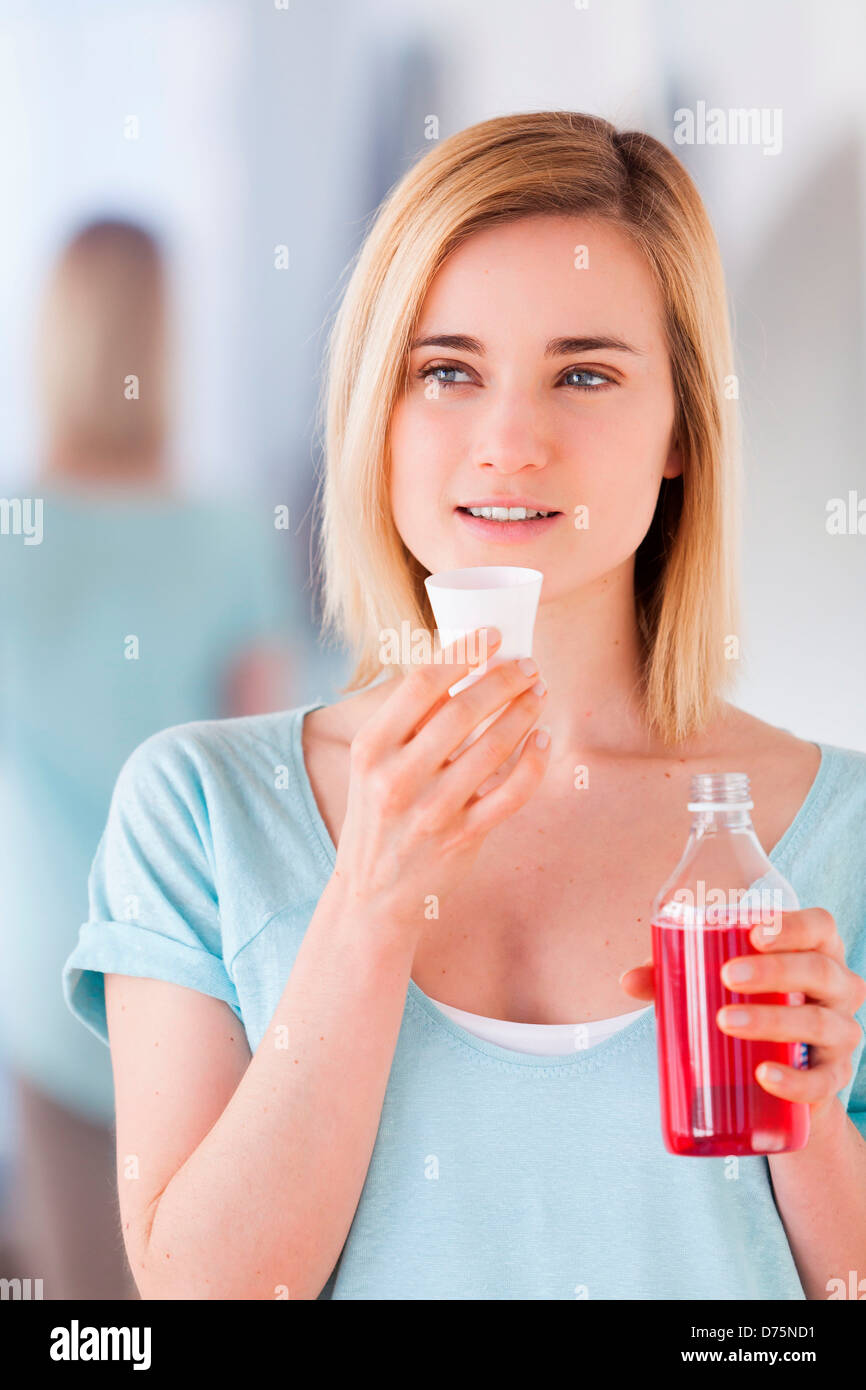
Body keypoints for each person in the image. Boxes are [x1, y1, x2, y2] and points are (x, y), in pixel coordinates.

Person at [63, 115, 866, 1300]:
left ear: (682, 429)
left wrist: (800, 1114)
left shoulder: (835, 827)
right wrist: (372, 901)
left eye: (583, 373)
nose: (507, 442)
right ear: (375, 417)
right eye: (446, 370)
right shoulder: (197, 810)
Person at [0, 218, 300, 1299]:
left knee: (82, 1298)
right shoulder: (222, 536)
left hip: (42, 977)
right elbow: (265, 770)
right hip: (193, 979)